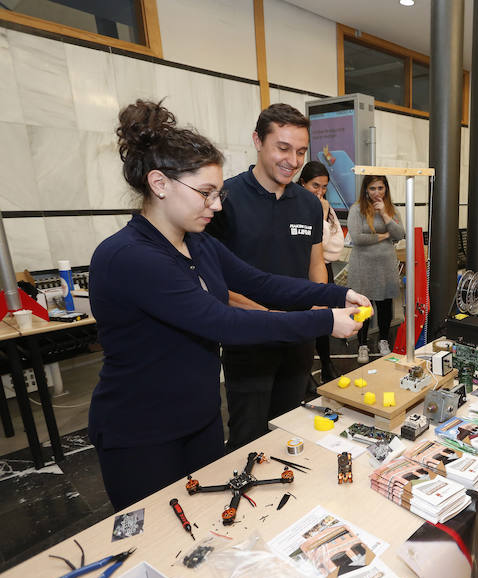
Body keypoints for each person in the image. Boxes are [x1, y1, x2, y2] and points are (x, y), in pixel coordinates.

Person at [89, 100, 368, 510]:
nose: (217, 205)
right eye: (205, 194)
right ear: (160, 184)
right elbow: (223, 323)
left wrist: (334, 294)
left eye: (217, 194)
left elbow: (263, 283)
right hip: (142, 432)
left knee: (212, 528)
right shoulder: (130, 256)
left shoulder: (198, 243)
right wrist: (325, 322)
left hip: (199, 418)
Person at [206, 103, 328, 452]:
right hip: (248, 342)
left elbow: (315, 263)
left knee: (290, 429)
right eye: (283, 148)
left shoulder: (308, 204)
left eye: (301, 151)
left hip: (298, 341)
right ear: (258, 140)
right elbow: (216, 282)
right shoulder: (223, 200)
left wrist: (320, 305)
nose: (293, 160)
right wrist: (270, 318)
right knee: (248, 437)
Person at [347, 175, 405, 362]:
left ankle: (383, 341)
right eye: (372, 188)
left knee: (385, 306)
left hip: (385, 266)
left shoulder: (391, 210)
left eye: (380, 188)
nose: (377, 192)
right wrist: (383, 236)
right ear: (366, 190)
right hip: (362, 266)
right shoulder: (357, 210)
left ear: (386, 189)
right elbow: (357, 238)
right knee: (363, 307)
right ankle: (362, 344)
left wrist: (386, 216)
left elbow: (400, 234)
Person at [299, 160, 346, 382]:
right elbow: (317, 242)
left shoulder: (325, 207)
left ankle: (327, 364)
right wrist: (322, 219)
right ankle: (304, 372)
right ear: (302, 184)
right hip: (299, 271)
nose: (320, 191)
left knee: (323, 318)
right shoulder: (299, 207)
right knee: (305, 321)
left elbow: (336, 247)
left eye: (324, 186)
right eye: (315, 185)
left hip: (324, 268)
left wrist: (324, 218)